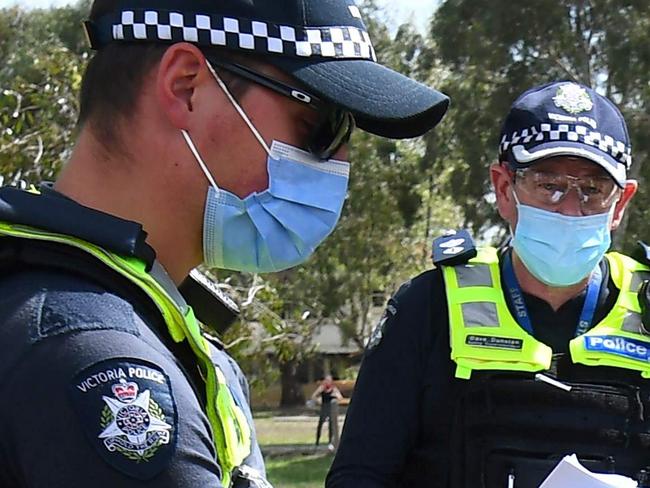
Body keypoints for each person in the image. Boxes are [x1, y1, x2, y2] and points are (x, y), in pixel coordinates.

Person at [0, 0, 450, 486]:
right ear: (185, 86)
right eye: (319, 125)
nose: (339, 164)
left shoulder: (122, 314)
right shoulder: (95, 358)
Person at [327, 81, 650, 488]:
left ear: (620, 203)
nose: (570, 208)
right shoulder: (428, 306)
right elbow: (360, 475)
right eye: (549, 186)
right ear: (504, 188)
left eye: (592, 190)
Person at [311, 374, 343, 448]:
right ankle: (317, 441)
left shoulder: (334, 388)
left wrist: (336, 395)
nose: (327, 382)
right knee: (320, 424)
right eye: (326, 380)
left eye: (329, 380)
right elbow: (313, 396)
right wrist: (318, 400)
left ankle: (330, 442)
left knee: (331, 425)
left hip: (331, 408)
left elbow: (340, 397)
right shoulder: (322, 387)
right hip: (324, 407)